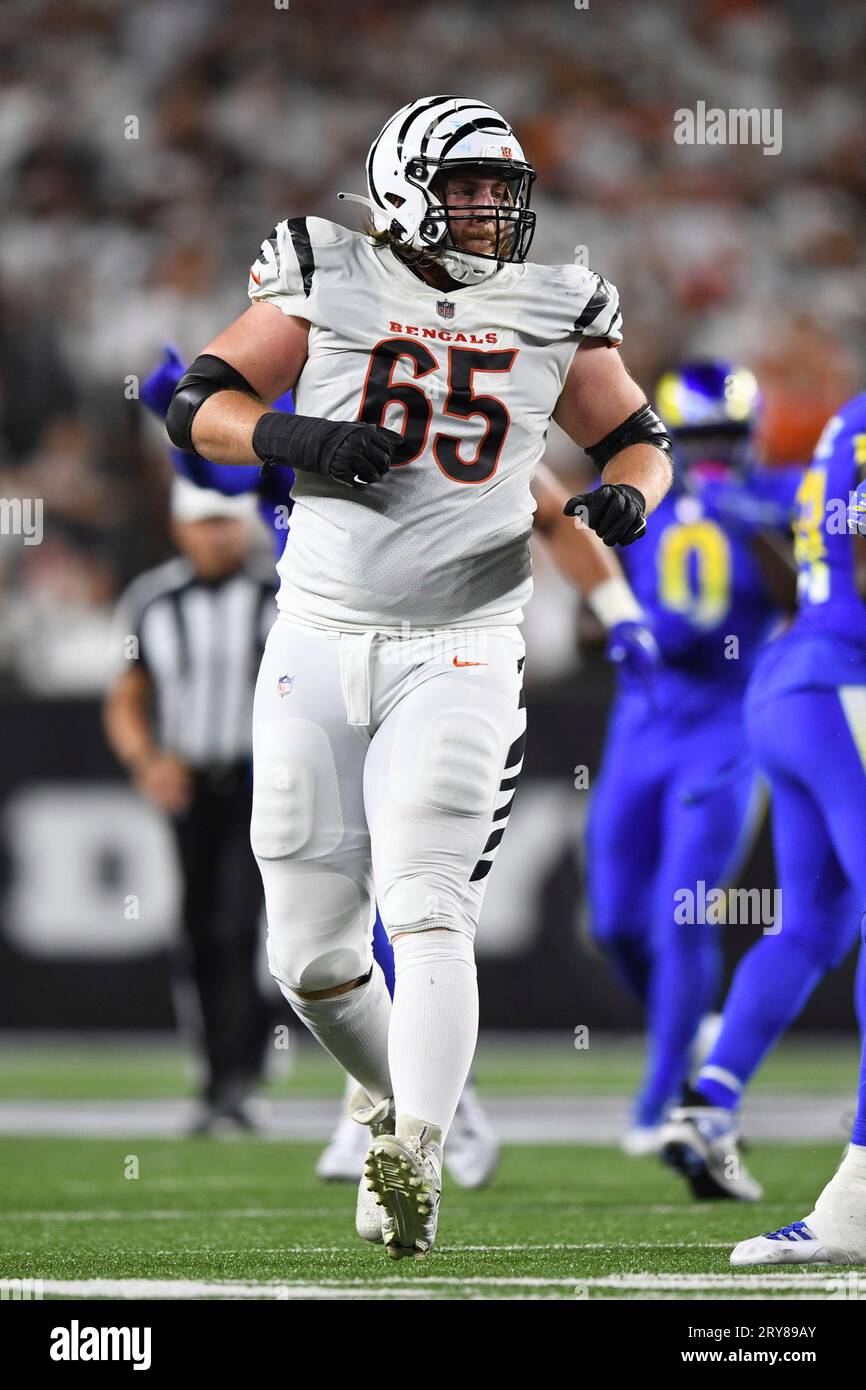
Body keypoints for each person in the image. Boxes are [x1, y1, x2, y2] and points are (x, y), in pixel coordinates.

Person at [166, 95, 672, 1259]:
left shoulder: (556, 301)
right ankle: (390, 1093)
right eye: (468, 187)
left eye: (504, 190)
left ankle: (418, 1151)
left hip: (465, 641)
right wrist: (303, 440)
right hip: (316, 632)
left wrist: (628, 494)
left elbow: (638, 435)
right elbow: (195, 405)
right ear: (401, 183)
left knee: (430, 901)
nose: (492, 210)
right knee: (310, 955)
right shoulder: (324, 265)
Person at [585, 361, 801, 1154]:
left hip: (728, 722)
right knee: (613, 922)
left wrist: (754, 524)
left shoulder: (778, 495)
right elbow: (593, 614)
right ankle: (691, 1030)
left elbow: (808, 600)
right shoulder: (648, 493)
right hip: (640, 720)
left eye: (729, 439)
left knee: (684, 914)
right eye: (702, 440)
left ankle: (658, 1103)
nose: (716, 454)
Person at [662, 394, 866, 1209]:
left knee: (816, 923)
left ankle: (710, 1100)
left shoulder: (848, 418)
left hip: (795, 683)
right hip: (839, 678)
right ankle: (858, 1182)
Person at [104, 478, 275, 1134]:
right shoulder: (150, 601)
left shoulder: (278, 596)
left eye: (225, 523)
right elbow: (126, 691)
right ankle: (215, 1075)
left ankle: (240, 1075)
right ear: (179, 527)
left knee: (238, 926)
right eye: (203, 523)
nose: (216, 535)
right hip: (187, 784)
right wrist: (147, 761)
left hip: (257, 781)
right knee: (197, 929)